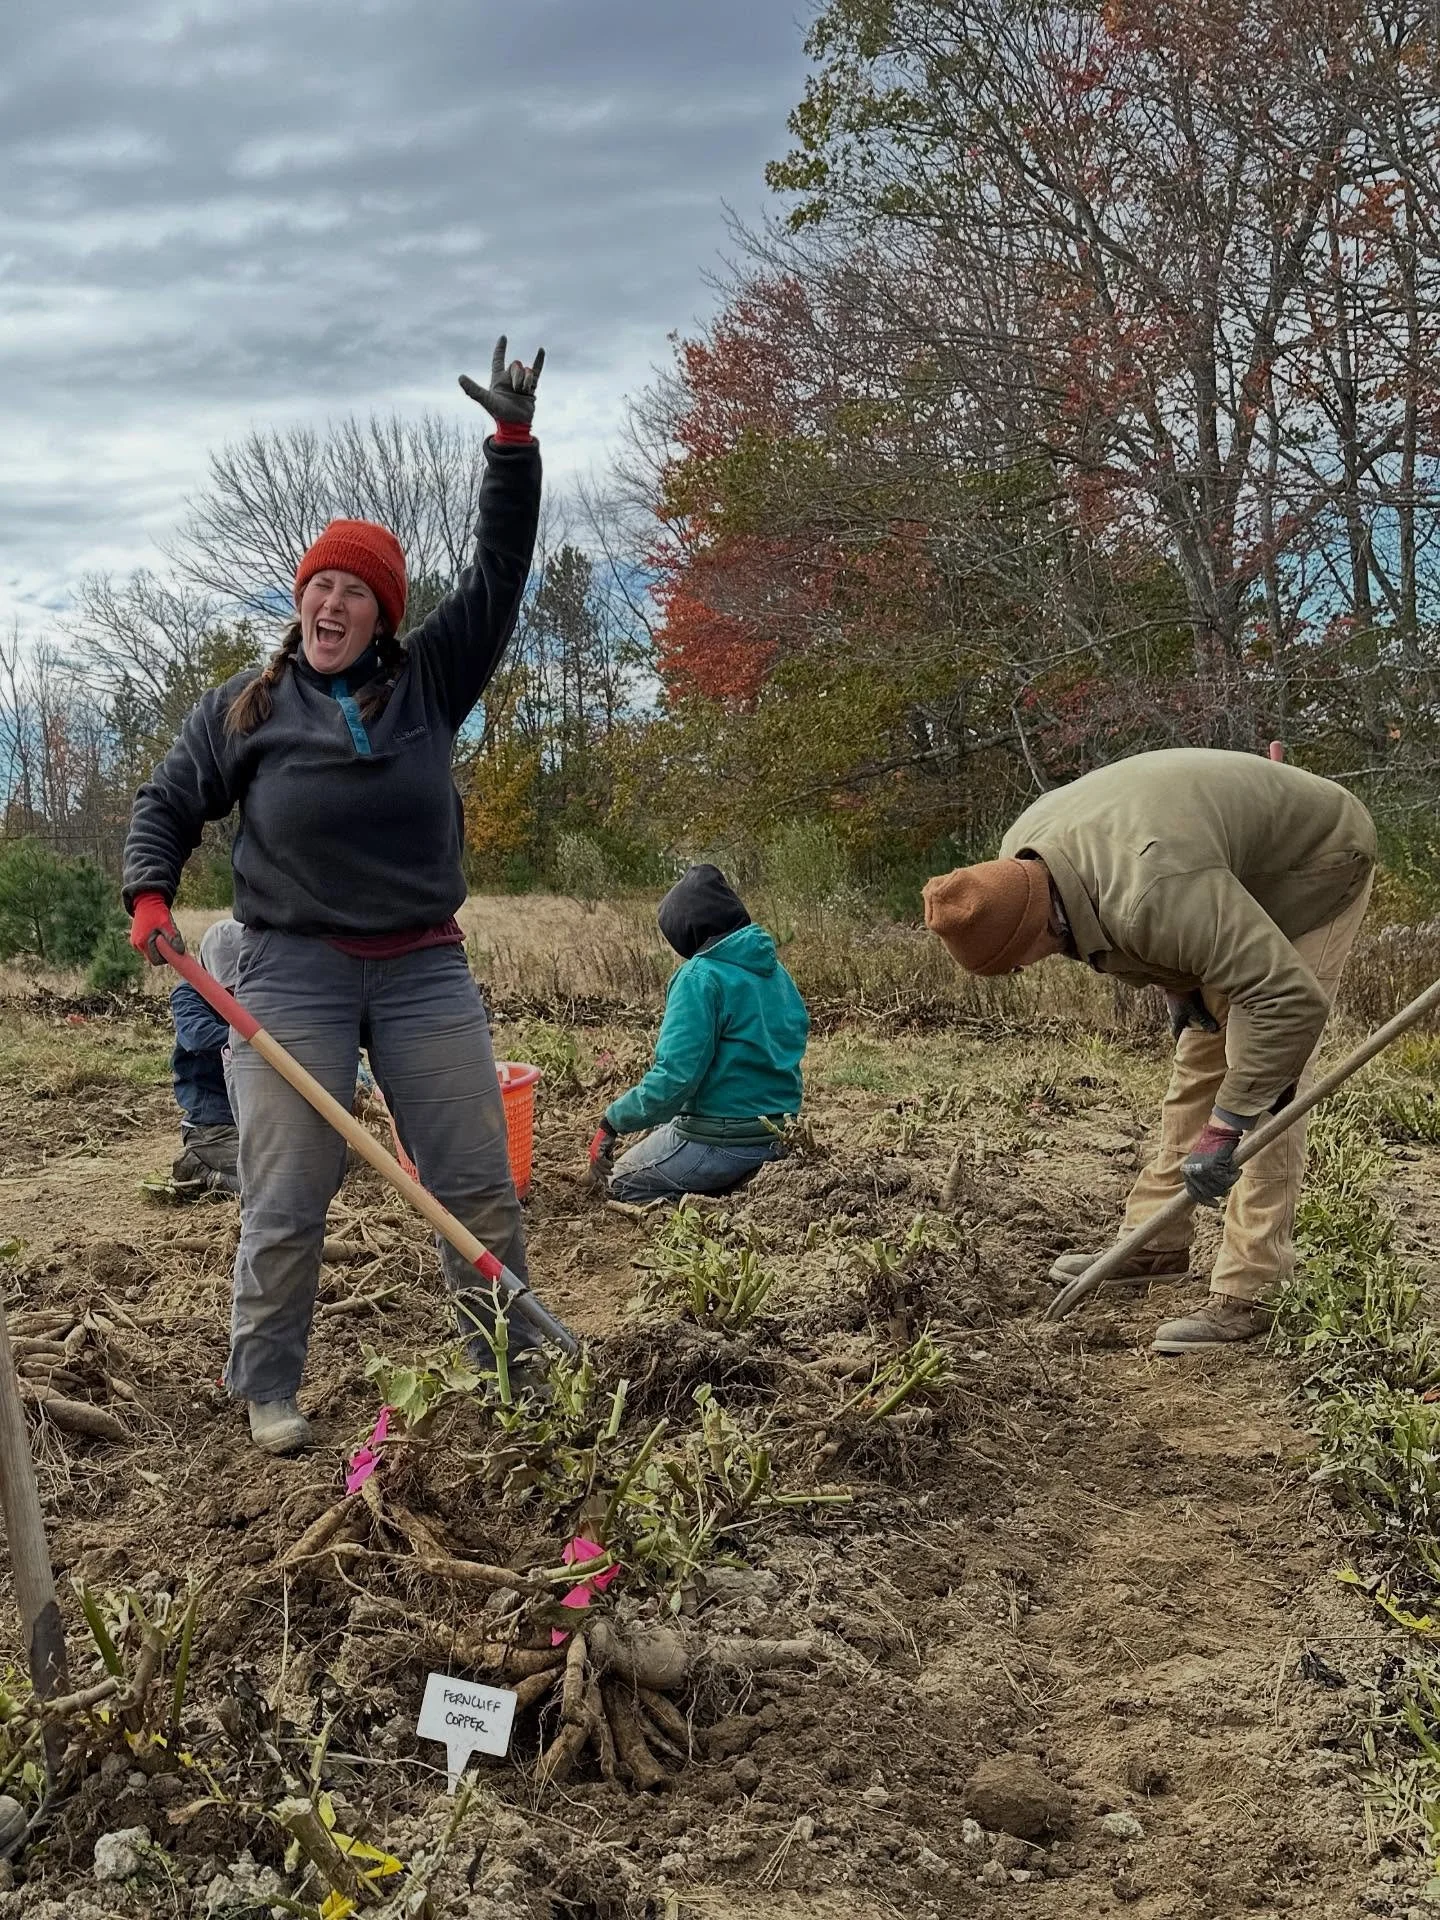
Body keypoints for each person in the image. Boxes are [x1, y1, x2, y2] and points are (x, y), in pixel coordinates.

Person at [122, 337, 560, 1454]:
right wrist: (148, 895)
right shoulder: (248, 708)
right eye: (319, 585)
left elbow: (501, 572)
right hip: (292, 966)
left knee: (476, 1183)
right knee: (288, 1194)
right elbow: (169, 803)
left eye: (354, 592)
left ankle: (509, 1371)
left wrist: (510, 445)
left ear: (381, 615)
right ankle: (267, 1384)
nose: (332, 603)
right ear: (300, 601)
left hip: (420, 967)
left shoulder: (430, 683)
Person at [921, 748, 1376, 1354]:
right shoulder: (1022, 859)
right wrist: (1180, 985)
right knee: (1198, 1059)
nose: (1021, 973)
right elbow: (1120, 922)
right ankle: (1154, 1243)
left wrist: (1227, 1128)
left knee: (1267, 1082)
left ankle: (1253, 1289)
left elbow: (1288, 1002)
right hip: (1206, 869)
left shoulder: (1153, 893)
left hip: (1312, 858)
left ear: (1036, 930)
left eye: (1013, 965)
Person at [588, 866, 810, 1202]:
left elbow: (675, 1078)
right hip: (779, 1136)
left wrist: (612, 1120)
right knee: (662, 1127)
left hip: (726, 1141)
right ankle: (728, 1183)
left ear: (685, 933)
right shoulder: (776, 971)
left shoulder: (700, 976)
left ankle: (711, 1197)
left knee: (620, 1182)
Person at [169, 918, 244, 1196]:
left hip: (254, 1118)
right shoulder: (188, 994)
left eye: (239, 986)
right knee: (274, 1178)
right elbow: (198, 1036)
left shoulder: (258, 992)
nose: (235, 995)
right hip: (212, 1126)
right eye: (227, 990)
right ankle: (204, 1175)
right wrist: (257, 1039)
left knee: (332, 1161)